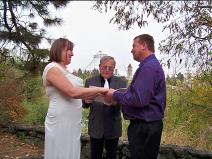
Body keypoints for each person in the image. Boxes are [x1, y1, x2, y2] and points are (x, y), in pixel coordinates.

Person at [42, 38, 108, 159]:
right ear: (58, 49)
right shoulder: (52, 68)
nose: (72, 53)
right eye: (69, 50)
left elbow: (77, 97)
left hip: (73, 122)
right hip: (61, 121)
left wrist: (90, 98)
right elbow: (72, 92)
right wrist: (100, 90)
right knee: (60, 152)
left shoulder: (65, 70)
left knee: (71, 153)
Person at [105, 34, 166, 159]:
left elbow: (139, 100)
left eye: (134, 46)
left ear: (144, 45)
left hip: (145, 127)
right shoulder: (149, 66)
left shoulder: (148, 68)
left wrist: (114, 94)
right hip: (146, 126)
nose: (131, 49)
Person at [82, 56, 127, 159]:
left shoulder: (122, 82)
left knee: (111, 156)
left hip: (113, 126)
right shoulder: (90, 81)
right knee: (95, 155)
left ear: (114, 68)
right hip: (95, 125)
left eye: (110, 68)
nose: (107, 70)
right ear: (99, 67)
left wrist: (115, 103)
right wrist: (86, 101)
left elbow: (124, 104)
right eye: (104, 67)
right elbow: (84, 104)